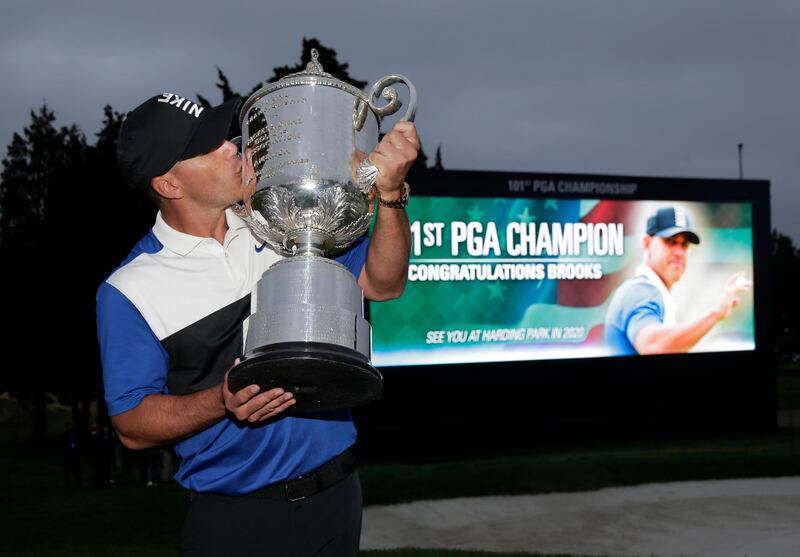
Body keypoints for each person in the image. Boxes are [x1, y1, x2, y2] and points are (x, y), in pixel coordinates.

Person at [96, 92, 418, 556]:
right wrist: (220, 401)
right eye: (208, 146)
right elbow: (131, 422)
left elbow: (383, 284)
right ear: (169, 185)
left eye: (223, 135)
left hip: (338, 494)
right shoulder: (129, 290)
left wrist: (389, 195)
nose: (231, 146)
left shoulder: (281, 216)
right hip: (237, 521)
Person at [604, 206, 751, 355]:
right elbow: (652, 346)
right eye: (670, 241)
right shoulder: (641, 292)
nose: (679, 252)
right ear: (647, 243)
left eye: (684, 244)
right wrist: (717, 313)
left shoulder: (653, 291)